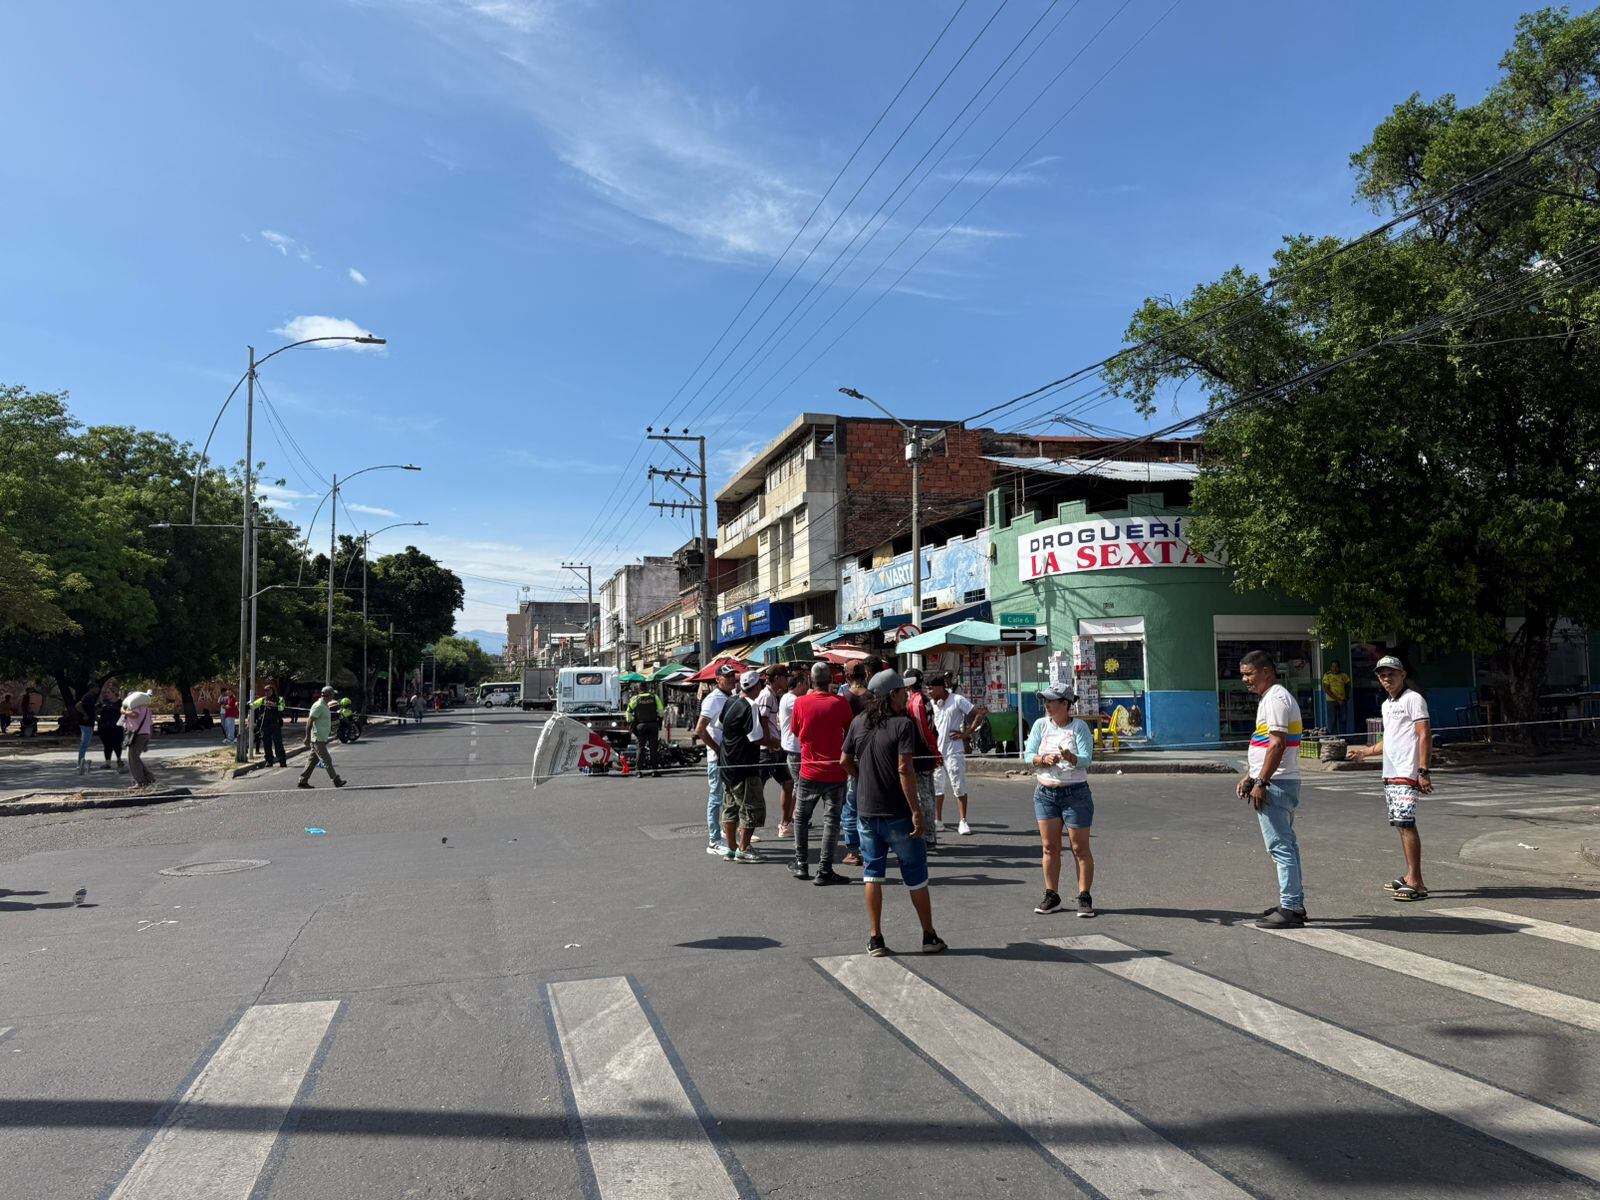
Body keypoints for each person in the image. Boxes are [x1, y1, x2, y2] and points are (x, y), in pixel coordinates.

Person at [842, 669, 947, 957]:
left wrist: (861, 779)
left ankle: (875, 937)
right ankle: (928, 935)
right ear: (892, 696)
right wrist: (916, 811)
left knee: (872, 874)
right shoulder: (903, 725)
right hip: (897, 811)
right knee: (916, 875)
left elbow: (844, 760)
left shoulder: (857, 722)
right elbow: (905, 768)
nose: (906, 695)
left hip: (866, 811)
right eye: (902, 691)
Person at [1349, 655, 1432, 901]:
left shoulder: (1413, 699)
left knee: (1406, 824)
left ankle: (1416, 882)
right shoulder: (1387, 704)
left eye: (1391, 674)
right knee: (1400, 824)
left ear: (1403, 675)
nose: (1387, 679)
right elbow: (1391, 739)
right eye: (1382, 675)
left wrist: (1424, 771)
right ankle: (1409, 875)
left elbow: (1424, 734)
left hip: (1407, 772)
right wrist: (1365, 751)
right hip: (1391, 772)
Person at [1237, 649, 1306, 928]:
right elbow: (1265, 745)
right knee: (1286, 844)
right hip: (1275, 780)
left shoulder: (1276, 699)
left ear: (1267, 671)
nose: (1245, 680)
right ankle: (1292, 902)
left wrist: (1262, 782)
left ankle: (1290, 907)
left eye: (1249, 674)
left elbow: (1277, 744)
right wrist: (1249, 776)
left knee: (1280, 846)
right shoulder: (1272, 699)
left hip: (1277, 783)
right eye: (1242, 675)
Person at [1024, 686, 1096, 916]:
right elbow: (1028, 756)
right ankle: (1052, 895)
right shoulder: (1040, 725)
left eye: (1051, 701)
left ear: (1065, 704)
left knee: (1079, 848)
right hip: (1045, 794)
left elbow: (1086, 760)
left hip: (1075, 794)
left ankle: (1084, 897)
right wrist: (1043, 759)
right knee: (1049, 847)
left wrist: (1070, 757)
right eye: (1045, 700)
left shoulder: (1079, 727)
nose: (1046, 705)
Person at [791, 662, 854, 885]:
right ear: (831, 681)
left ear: (810, 680)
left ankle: (801, 864)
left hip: (809, 769)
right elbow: (850, 732)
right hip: (835, 771)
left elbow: (796, 731)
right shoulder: (841, 703)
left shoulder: (800, 703)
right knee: (831, 822)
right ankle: (825, 869)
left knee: (800, 818)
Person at [717, 670, 771, 862]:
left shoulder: (730, 702)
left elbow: (719, 725)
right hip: (744, 765)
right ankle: (744, 848)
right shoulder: (751, 705)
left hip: (727, 764)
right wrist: (769, 735)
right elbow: (757, 738)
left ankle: (732, 849)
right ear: (756, 686)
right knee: (750, 807)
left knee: (730, 808)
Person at [929, 673, 983, 834]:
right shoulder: (931, 704)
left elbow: (978, 714)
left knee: (958, 786)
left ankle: (963, 821)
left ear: (940, 687)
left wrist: (967, 733)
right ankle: (938, 820)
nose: (929, 691)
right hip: (937, 752)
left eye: (931, 688)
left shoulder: (957, 700)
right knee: (938, 787)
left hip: (954, 751)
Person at [694, 663, 738, 856]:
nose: (731, 680)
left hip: (730, 757)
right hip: (717, 758)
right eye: (726, 677)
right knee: (716, 797)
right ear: (717, 680)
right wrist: (717, 749)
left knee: (729, 798)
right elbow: (700, 729)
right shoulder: (713, 699)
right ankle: (713, 839)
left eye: (732, 676)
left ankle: (723, 833)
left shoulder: (732, 696)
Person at [839, 659, 877, 867]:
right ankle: (870, 847)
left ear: (847, 677)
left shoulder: (843, 698)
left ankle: (853, 851)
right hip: (872, 756)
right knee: (870, 803)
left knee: (850, 806)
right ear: (865, 675)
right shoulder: (873, 698)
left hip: (850, 755)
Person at [901, 669, 942, 850]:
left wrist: (933, 749)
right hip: (924, 752)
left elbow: (924, 730)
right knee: (926, 793)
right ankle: (928, 833)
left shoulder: (917, 700)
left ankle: (929, 835)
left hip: (922, 754)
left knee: (924, 795)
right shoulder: (920, 699)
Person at [756, 664, 794, 838]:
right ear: (777, 678)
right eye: (785, 677)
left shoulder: (773, 695)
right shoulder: (766, 696)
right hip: (767, 750)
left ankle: (785, 824)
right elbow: (763, 719)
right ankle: (745, 828)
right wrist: (769, 742)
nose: (787, 680)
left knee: (787, 783)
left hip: (775, 749)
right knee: (757, 787)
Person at [298, 685, 347, 789]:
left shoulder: (325, 705)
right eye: (333, 694)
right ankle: (336, 780)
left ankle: (303, 780)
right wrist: (307, 737)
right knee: (326, 759)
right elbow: (309, 722)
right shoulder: (319, 705)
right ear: (329, 695)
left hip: (321, 738)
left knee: (312, 761)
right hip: (317, 739)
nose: (333, 696)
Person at [777, 666, 808, 802]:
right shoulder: (792, 699)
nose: (807, 687)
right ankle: (793, 817)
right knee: (799, 784)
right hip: (794, 747)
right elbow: (808, 708)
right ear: (800, 683)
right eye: (806, 684)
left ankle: (792, 817)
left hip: (792, 745)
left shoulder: (788, 697)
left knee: (798, 783)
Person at [625, 686, 663, 777]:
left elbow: (628, 713)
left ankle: (639, 771)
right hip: (653, 725)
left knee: (640, 748)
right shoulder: (654, 697)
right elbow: (661, 711)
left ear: (639, 690)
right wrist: (659, 718)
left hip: (640, 726)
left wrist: (631, 721)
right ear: (648, 689)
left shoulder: (635, 699)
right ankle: (654, 771)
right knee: (653, 748)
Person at [122, 691, 157, 788]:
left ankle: (141, 781)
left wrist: (124, 711)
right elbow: (150, 725)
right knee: (135, 757)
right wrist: (148, 740)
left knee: (132, 758)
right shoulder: (147, 709)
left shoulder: (135, 707)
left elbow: (135, 715)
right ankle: (149, 777)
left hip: (137, 735)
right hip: (144, 734)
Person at [252, 685, 289, 767]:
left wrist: (273, 705)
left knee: (278, 744)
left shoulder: (279, 699)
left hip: (275, 724)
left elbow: (282, 708)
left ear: (272, 690)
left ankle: (282, 761)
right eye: (265, 691)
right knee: (266, 744)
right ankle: (269, 760)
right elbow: (253, 705)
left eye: (268, 690)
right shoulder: (262, 700)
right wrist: (244, 704)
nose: (267, 692)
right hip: (265, 725)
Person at [96, 691, 125, 772]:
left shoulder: (121, 703)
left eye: (108, 693)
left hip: (116, 727)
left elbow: (124, 714)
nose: (106, 694)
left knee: (116, 743)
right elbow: (96, 711)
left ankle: (119, 759)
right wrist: (97, 717)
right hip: (104, 726)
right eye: (106, 693)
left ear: (114, 693)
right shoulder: (103, 703)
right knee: (107, 744)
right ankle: (107, 763)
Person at [1321, 660, 1352, 735]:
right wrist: (1337, 699)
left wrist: (1346, 696)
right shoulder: (1327, 675)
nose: (1334, 668)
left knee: (1343, 719)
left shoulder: (1344, 675)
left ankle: (1343, 737)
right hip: (1331, 701)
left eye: (1336, 667)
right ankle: (1333, 737)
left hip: (1342, 700)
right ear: (1330, 667)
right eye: (1333, 667)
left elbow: (1347, 686)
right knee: (1332, 720)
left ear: (1339, 667)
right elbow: (1326, 689)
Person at [73, 689, 98, 774]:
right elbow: (78, 705)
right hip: (85, 723)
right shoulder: (87, 696)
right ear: (91, 688)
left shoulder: (92, 697)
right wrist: (85, 714)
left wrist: (95, 717)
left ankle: (81, 761)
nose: (98, 689)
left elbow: (91, 710)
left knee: (86, 743)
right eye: (96, 687)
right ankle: (80, 762)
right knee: (84, 743)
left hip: (89, 723)